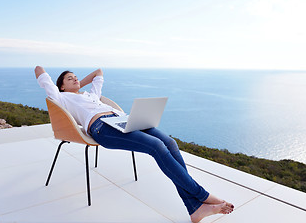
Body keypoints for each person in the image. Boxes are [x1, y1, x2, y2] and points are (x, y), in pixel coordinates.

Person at [35, 66, 233, 222]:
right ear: (60, 86)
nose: (75, 78)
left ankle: (194, 208)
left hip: (122, 120)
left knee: (170, 143)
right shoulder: (61, 97)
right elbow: (39, 69)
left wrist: (78, 85)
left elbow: (98, 72)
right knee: (156, 147)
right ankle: (201, 195)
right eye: (70, 78)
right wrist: (68, 87)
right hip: (101, 127)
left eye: (76, 76)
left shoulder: (90, 95)